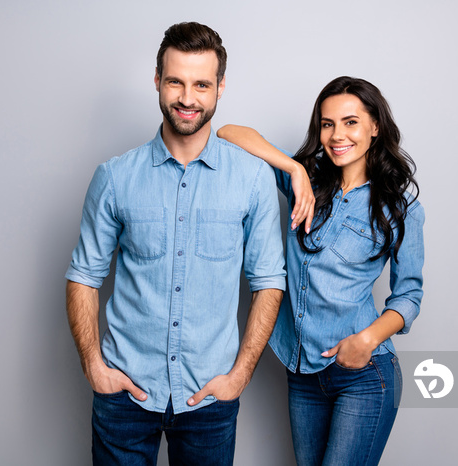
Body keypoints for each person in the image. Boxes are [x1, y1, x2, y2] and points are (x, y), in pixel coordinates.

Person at [65, 22, 285, 466]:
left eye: (202, 84)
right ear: (157, 81)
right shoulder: (114, 177)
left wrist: (239, 376)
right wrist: (94, 364)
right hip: (124, 396)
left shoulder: (253, 179)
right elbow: (83, 276)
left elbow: (269, 282)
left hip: (209, 398)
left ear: (220, 87)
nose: (188, 98)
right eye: (176, 82)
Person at [218, 76, 425, 466]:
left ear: (374, 127)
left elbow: (409, 296)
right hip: (302, 373)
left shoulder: (400, 207)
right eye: (327, 124)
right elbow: (229, 133)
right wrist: (293, 170)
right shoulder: (308, 181)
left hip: (364, 374)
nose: (336, 135)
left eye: (350, 122)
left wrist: (365, 341)